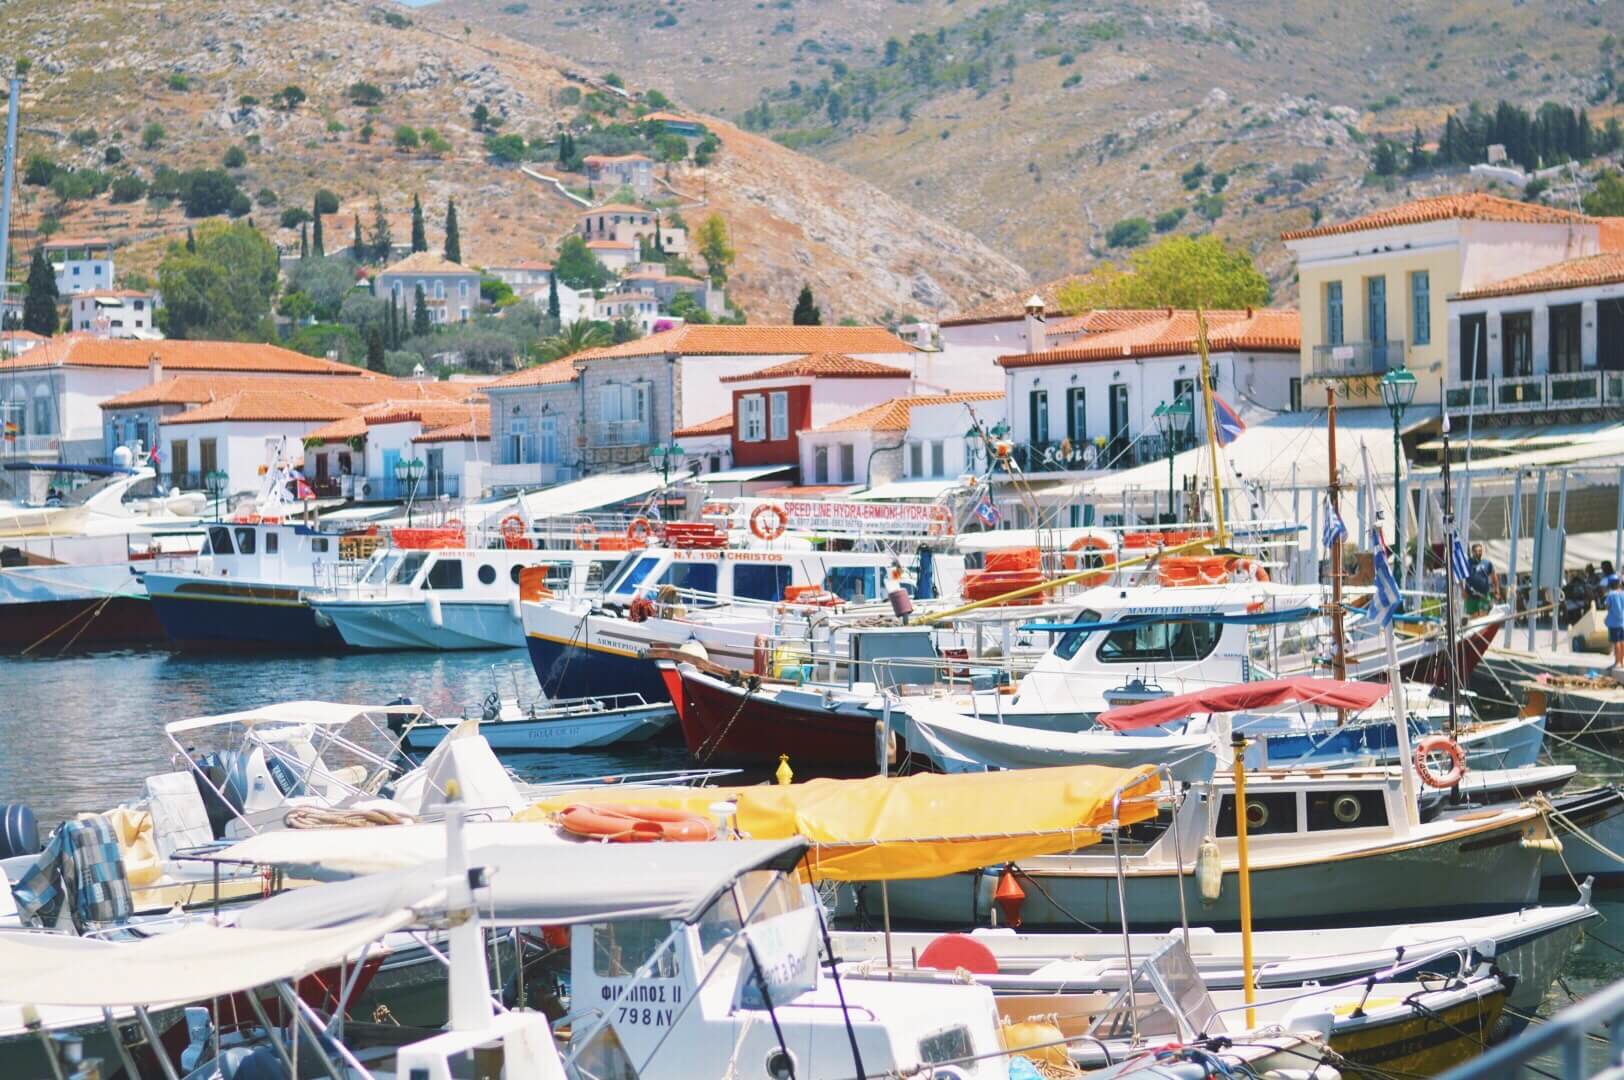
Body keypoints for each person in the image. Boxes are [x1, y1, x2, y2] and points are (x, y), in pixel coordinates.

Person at [1464, 543, 1498, 617]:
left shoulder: (1487, 563)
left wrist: (1496, 589)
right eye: (1476, 551)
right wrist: (1462, 590)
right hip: (1471, 595)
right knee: (1474, 617)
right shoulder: (1467, 563)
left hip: (1484, 595)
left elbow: (1494, 576)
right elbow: (1460, 577)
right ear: (1472, 552)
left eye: (1480, 551)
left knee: (1484, 617)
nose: (1478, 553)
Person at [1608, 576, 1624, 668]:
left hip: (1614, 622)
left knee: (1616, 642)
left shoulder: (1611, 594)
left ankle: (1616, 662)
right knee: (1622, 641)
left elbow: (1608, 606)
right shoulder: (1623, 593)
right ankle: (1622, 662)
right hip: (1623, 621)